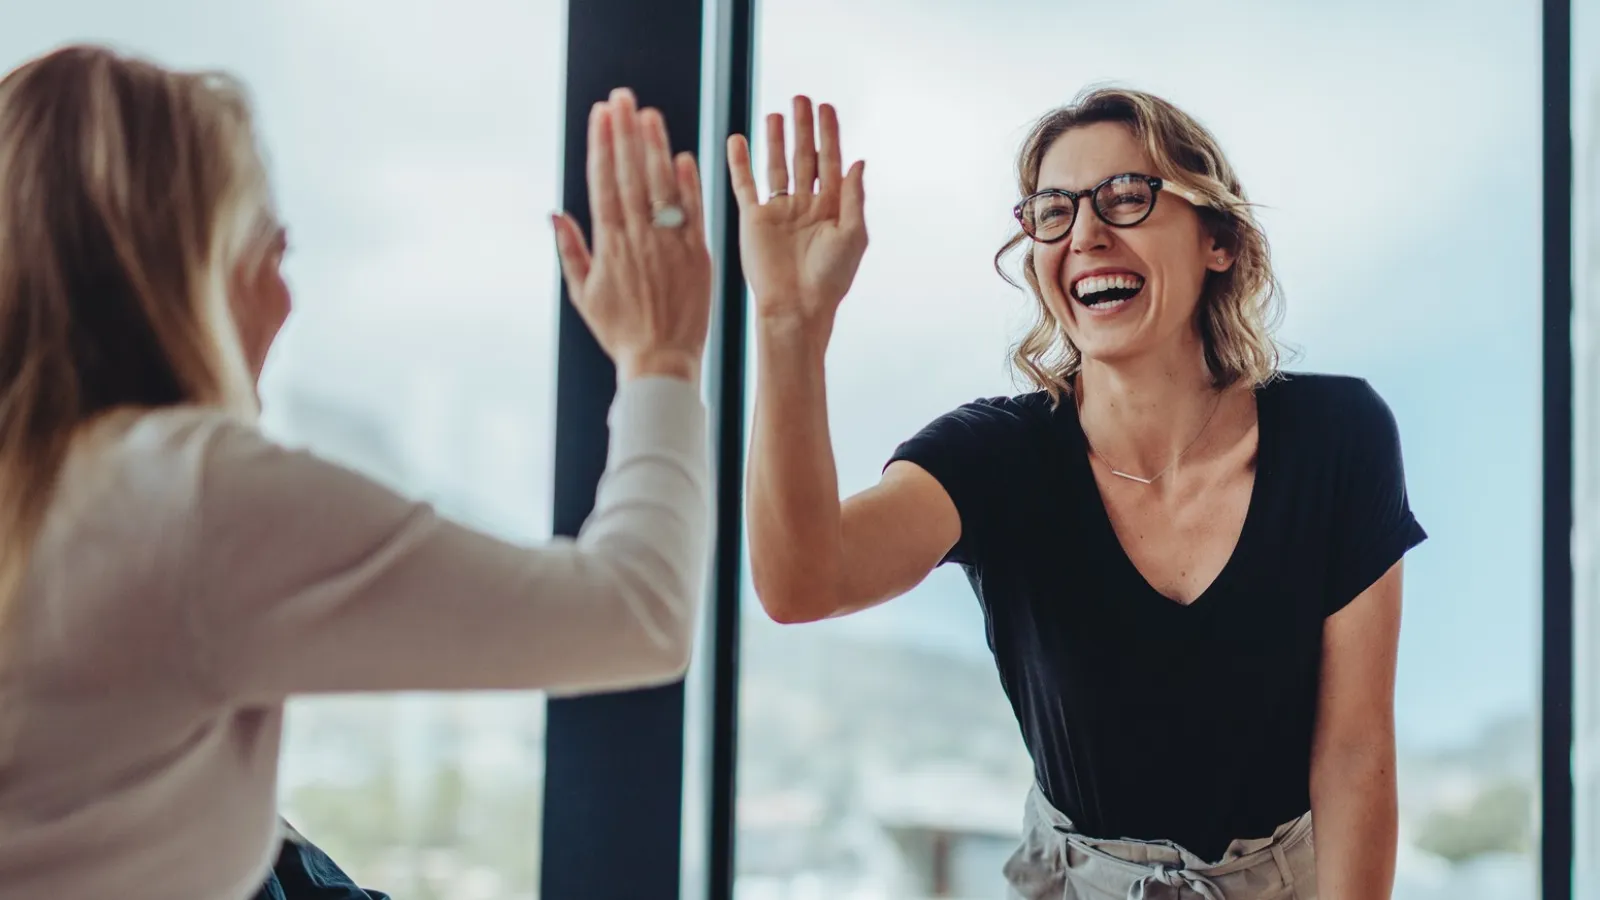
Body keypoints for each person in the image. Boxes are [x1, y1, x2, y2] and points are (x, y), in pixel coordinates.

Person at [0, 44, 714, 899]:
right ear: (179, 270)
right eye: (270, 250)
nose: (285, 300)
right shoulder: (183, 496)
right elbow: (638, 613)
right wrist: (661, 360)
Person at [729, 87, 1425, 899]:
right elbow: (802, 582)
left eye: (1128, 197)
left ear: (1220, 241)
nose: (1087, 233)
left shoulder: (1340, 436)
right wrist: (789, 326)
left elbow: (1353, 753)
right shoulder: (994, 456)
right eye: (1053, 212)